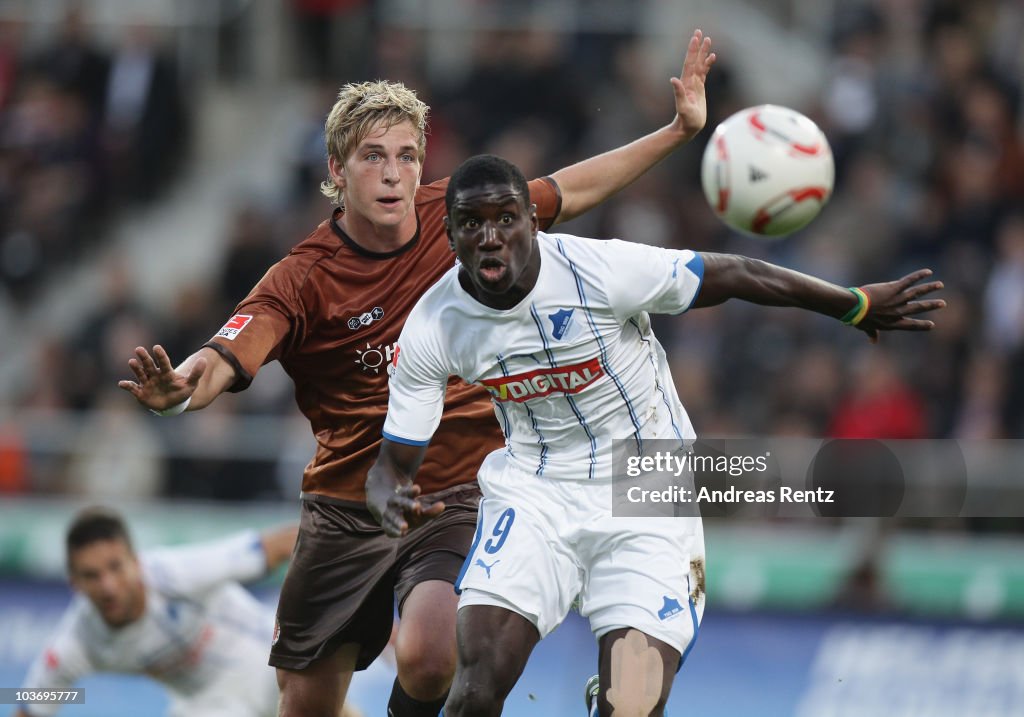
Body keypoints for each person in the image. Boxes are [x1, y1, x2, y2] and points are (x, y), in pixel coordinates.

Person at [117, 29, 717, 717]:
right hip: (347, 505)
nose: (394, 172)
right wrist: (180, 392)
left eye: (406, 155)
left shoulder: (460, 220)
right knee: (306, 703)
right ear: (337, 171)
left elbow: (570, 188)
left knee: (432, 653)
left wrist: (675, 131)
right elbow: (228, 354)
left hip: (454, 490)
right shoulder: (302, 278)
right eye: (373, 156)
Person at [365, 154, 946, 716]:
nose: (490, 236)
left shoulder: (599, 270)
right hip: (534, 490)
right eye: (471, 223)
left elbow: (736, 272)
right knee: (476, 689)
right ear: (448, 234)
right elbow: (393, 464)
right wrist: (387, 492)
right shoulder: (434, 324)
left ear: (532, 222)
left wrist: (853, 305)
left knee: (633, 705)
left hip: (646, 484)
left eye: (505, 218)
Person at [11, 507, 338, 717]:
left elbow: (282, 543)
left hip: (276, 669)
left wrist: (353, 573)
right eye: (92, 576)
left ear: (135, 563)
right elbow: (30, 705)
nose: (108, 586)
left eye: (115, 567)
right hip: (213, 705)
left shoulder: (176, 574)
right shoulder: (77, 643)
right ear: (74, 583)